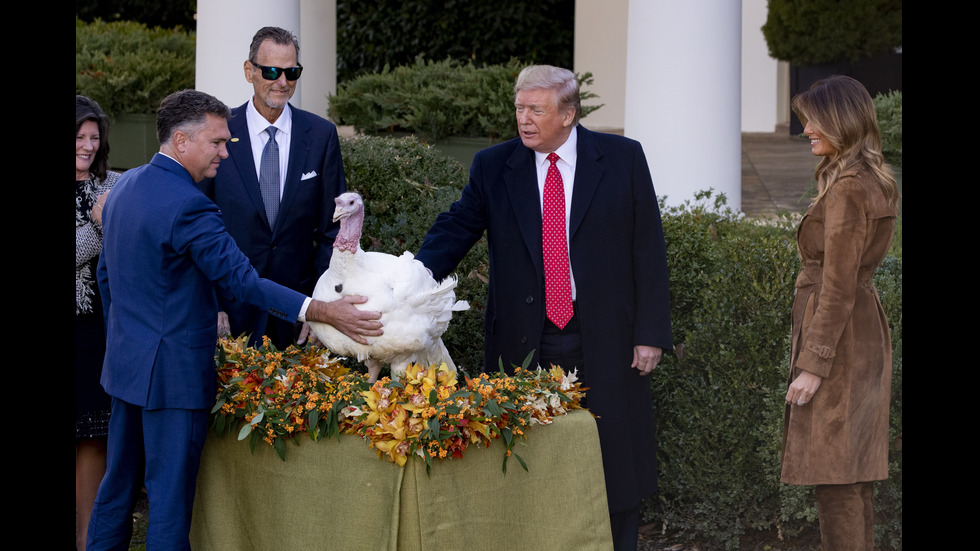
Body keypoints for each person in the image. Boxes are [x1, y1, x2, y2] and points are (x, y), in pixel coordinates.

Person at [87, 89, 383, 551]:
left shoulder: (123, 186)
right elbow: (244, 282)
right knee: (168, 505)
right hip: (174, 378)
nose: (227, 151)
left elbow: (107, 276)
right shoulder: (190, 206)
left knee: (116, 492)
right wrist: (321, 309)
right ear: (182, 142)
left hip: (126, 368)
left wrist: (127, 337)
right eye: (218, 142)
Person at [414, 65, 672, 551]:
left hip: (605, 337)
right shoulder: (494, 166)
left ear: (569, 114)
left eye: (537, 110)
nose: (524, 120)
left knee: (613, 461)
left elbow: (648, 249)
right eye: (519, 108)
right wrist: (406, 280)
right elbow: (456, 229)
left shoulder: (621, 158)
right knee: (525, 456)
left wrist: (651, 332)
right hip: (523, 339)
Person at [781, 75, 900, 551]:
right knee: (851, 474)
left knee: (836, 477)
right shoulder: (866, 178)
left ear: (841, 121)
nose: (807, 128)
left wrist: (813, 364)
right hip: (860, 333)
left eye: (814, 119)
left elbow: (837, 285)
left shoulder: (850, 187)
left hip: (843, 339)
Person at [198, 26, 346, 350]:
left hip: (298, 315)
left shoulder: (320, 136)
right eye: (272, 71)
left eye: (292, 72)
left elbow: (331, 231)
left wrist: (320, 307)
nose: (283, 81)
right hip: (230, 313)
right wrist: (213, 304)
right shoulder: (219, 132)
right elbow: (199, 230)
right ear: (249, 71)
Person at [76, 94, 119, 550]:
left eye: (94, 137)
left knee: (95, 439)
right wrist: (98, 223)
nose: (88, 146)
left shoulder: (116, 185)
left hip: (104, 330)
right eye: (79, 137)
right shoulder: (105, 202)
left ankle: (90, 541)